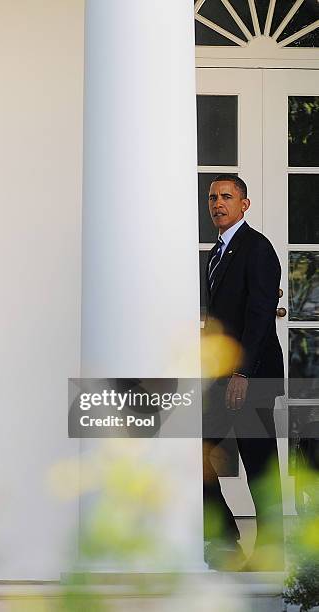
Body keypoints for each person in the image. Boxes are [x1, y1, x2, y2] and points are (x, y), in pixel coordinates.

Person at [202, 174, 284, 571]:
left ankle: (271, 553)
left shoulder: (258, 248)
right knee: (196, 454)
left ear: (244, 204)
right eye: (213, 197)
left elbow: (259, 315)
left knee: (259, 463)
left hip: (251, 376)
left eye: (227, 197)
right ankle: (228, 544)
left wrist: (243, 373)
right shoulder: (215, 253)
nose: (218, 204)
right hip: (221, 376)